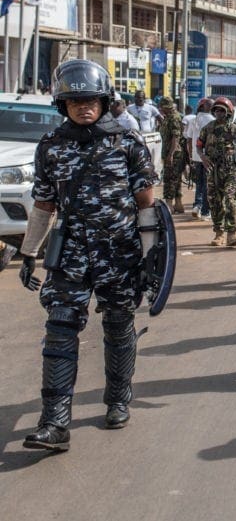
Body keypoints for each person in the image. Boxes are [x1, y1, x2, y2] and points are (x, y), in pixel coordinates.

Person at [17, 59, 158, 450]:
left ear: (104, 100)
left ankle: (117, 399)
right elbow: (44, 205)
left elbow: (146, 204)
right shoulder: (51, 147)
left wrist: (151, 261)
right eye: (74, 100)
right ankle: (55, 422)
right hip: (71, 254)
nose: (83, 106)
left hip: (120, 253)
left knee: (117, 325)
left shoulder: (127, 143)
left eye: (90, 99)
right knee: (59, 329)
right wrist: (29, 253)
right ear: (62, 104)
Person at [198, 97, 236, 247]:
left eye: (222, 110)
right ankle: (219, 233)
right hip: (213, 170)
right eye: (216, 110)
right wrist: (203, 158)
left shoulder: (234, 129)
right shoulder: (207, 128)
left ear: (228, 112)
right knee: (215, 202)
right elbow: (199, 146)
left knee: (229, 201)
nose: (219, 112)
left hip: (231, 170)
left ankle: (231, 233)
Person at [185, 98, 215, 219]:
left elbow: (189, 139)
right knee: (208, 184)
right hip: (208, 158)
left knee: (199, 183)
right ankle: (205, 212)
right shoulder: (213, 121)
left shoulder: (193, 120)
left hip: (197, 157)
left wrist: (191, 155)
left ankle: (197, 205)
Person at [157, 98, 187, 214]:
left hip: (173, 154)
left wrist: (171, 154)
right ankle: (178, 204)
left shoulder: (173, 118)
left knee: (169, 179)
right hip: (172, 153)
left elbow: (176, 137)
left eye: (162, 107)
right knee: (176, 179)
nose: (161, 109)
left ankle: (169, 205)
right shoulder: (168, 117)